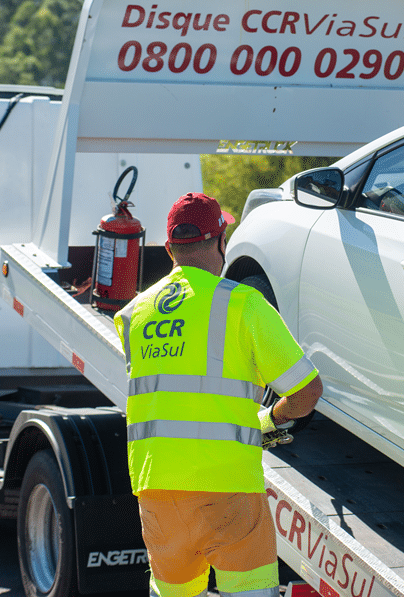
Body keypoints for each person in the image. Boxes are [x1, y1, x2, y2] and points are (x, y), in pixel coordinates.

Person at [115, 192, 323, 597]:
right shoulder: (243, 305)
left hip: (156, 488)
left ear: (169, 246)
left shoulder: (133, 315)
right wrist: (272, 419)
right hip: (227, 487)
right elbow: (306, 391)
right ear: (221, 241)